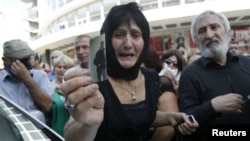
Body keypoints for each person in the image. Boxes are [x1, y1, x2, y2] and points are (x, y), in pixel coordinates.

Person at [61, 2, 198, 141]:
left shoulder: (151, 78)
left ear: (144, 41)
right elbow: (70, 134)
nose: (128, 43)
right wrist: (88, 126)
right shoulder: (94, 82)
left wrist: (170, 117)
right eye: (119, 35)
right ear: (107, 41)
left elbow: (141, 116)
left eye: (136, 34)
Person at [178, 10, 250, 141]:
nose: (209, 34)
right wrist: (212, 106)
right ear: (196, 40)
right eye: (202, 31)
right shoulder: (190, 74)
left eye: (214, 27)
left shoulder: (247, 64)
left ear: (228, 32)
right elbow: (185, 121)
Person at [0, 39, 54, 123]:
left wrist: (27, 79)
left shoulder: (40, 76)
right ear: (5, 60)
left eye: (27, 58)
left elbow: (48, 106)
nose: (25, 63)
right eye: (20, 60)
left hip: (36, 132)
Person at [49, 54, 75, 137]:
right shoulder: (49, 85)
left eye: (65, 67)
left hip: (73, 129)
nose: (62, 70)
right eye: (59, 67)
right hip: (54, 129)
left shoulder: (75, 85)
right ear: (54, 68)